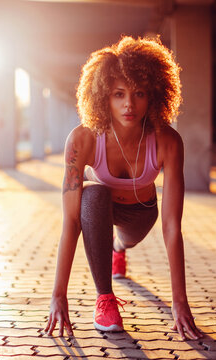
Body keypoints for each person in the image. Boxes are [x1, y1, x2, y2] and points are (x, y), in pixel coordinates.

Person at [44, 36, 203, 341]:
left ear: (154, 95)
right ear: (103, 96)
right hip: (99, 211)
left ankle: (118, 247)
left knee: (124, 241)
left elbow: (171, 226)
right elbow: (72, 221)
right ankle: (105, 299)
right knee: (93, 193)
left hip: (140, 215)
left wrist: (179, 303)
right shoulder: (82, 140)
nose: (129, 104)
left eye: (139, 93)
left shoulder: (168, 141)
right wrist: (58, 295)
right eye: (119, 94)